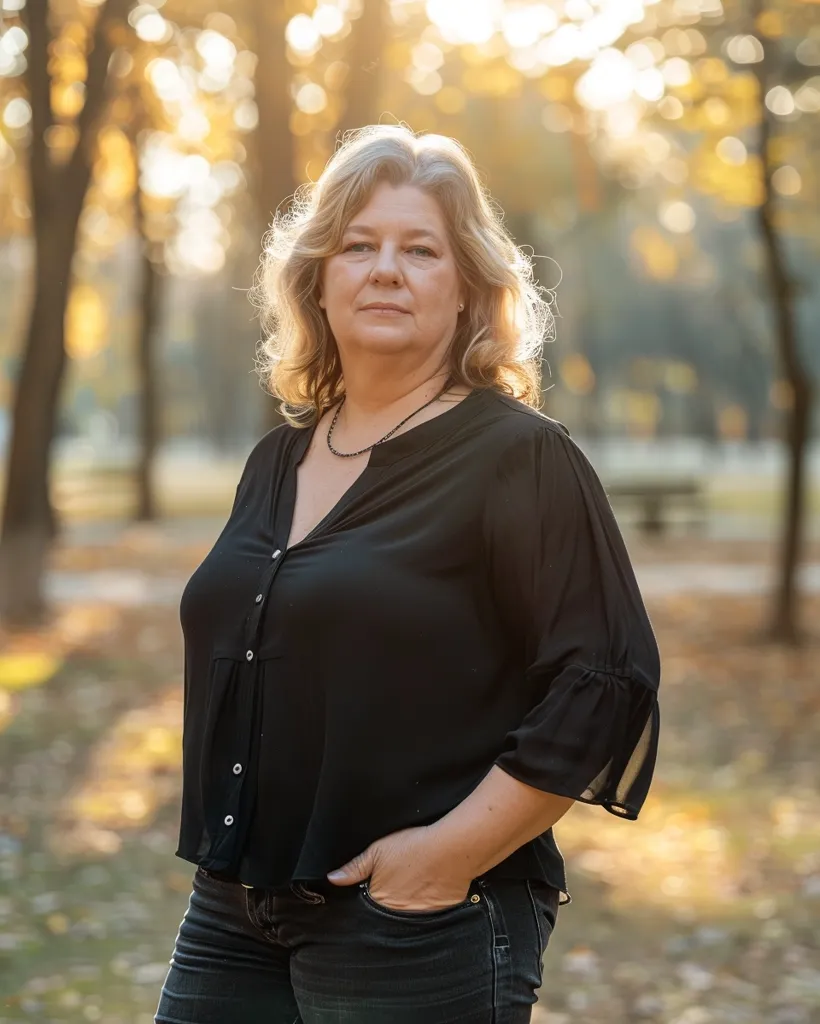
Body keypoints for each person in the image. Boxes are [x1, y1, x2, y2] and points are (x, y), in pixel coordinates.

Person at [155, 125, 661, 1024]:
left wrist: (446, 856)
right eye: (359, 245)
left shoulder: (519, 457)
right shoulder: (277, 459)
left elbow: (606, 675)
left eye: (419, 250)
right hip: (234, 906)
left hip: (413, 924)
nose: (385, 269)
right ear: (318, 279)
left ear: (467, 290)